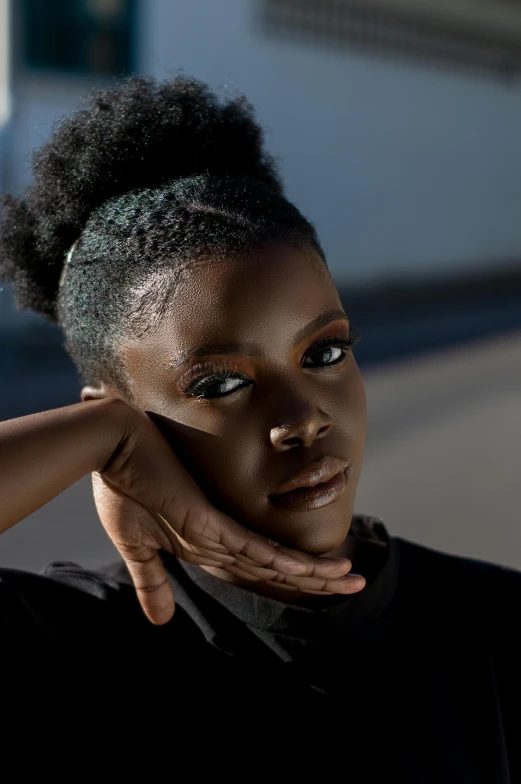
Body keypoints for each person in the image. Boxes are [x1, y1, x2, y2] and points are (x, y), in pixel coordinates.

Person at [0, 75, 518, 781]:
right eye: (220, 385)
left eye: (325, 353)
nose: (303, 418)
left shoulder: (493, 625)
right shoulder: (72, 643)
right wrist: (97, 440)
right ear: (116, 410)